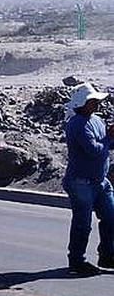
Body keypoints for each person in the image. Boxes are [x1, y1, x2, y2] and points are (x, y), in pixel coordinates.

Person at [61, 82, 114, 275]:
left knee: (110, 218)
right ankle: (76, 260)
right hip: (81, 182)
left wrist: (110, 138)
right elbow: (94, 150)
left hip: (99, 181)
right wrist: (109, 137)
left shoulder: (96, 120)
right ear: (82, 103)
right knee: (83, 223)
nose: (96, 104)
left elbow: (106, 145)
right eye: (92, 101)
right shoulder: (76, 124)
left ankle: (108, 255)